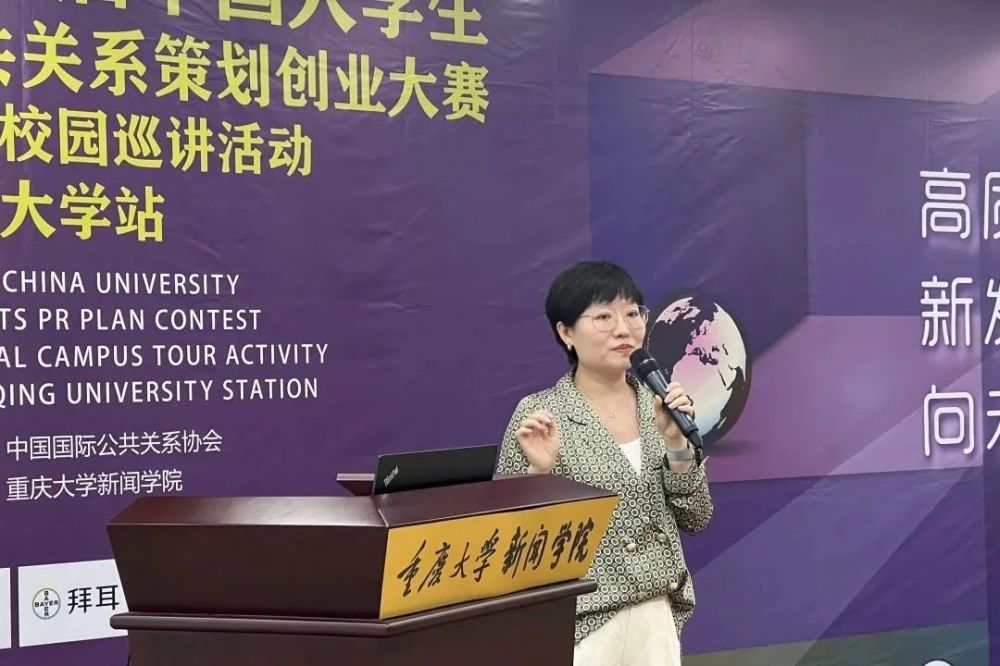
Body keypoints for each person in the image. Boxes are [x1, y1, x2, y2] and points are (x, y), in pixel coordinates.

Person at [496, 260, 714, 666]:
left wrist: (677, 446)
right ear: (566, 333)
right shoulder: (541, 415)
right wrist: (539, 475)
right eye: (603, 317)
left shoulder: (660, 404)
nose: (623, 329)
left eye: (632, 313)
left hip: (657, 613)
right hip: (579, 624)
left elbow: (697, 517)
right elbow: (509, 545)